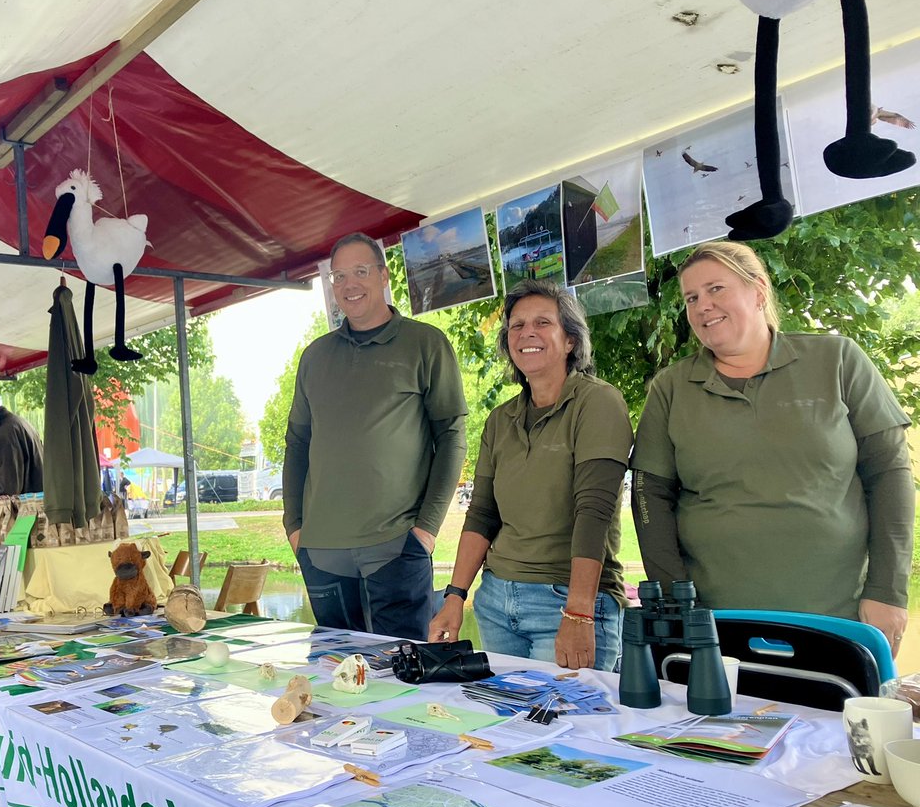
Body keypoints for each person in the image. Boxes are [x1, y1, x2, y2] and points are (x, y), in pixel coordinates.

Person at [630, 241, 912, 654]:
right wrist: (677, 601)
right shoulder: (671, 387)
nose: (702, 306)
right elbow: (648, 495)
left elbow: (890, 474)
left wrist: (888, 590)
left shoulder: (836, 360)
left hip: (837, 616)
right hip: (716, 624)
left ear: (758, 291)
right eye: (691, 298)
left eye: (715, 289)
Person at [428, 280, 633, 670]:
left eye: (543, 323)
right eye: (517, 326)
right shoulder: (499, 419)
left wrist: (578, 613)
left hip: (566, 602)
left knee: (568, 728)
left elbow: (594, 513)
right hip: (496, 602)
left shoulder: (598, 402)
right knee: (510, 729)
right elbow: (483, 514)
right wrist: (455, 597)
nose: (527, 334)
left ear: (570, 340)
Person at [284, 232, 467, 640]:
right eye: (339, 276)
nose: (349, 285)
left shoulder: (425, 344)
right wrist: (294, 526)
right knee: (336, 677)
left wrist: (427, 529)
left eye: (361, 271)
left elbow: (452, 435)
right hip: (323, 551)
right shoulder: (315, 356)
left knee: (403, 679)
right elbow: (297, 442)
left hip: (396, 547)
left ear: (384, 276)